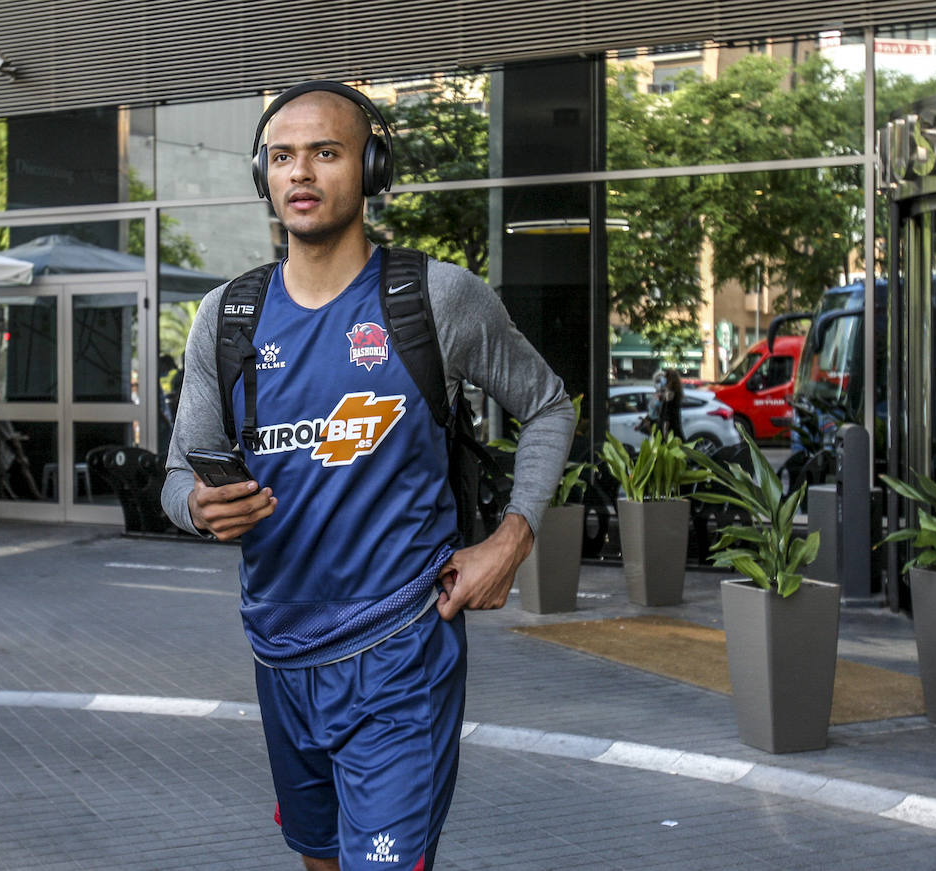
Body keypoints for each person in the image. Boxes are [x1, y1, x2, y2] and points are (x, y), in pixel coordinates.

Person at [159, 82, 573, 870]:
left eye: (327, 151)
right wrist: (198, 507)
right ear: (263, 175)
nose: (301, 172)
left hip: (399, 655)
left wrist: (510, 539)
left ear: (371, 167)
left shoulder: (434, 299)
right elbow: (181, 472)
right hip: (279, 653)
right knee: (320, 860)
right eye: (283, 156)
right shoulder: (227, 317)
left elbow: (548, 404)